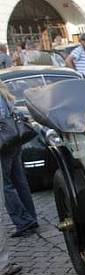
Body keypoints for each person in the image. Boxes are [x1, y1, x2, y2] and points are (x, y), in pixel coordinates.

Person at [0, 81, 37, 238]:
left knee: (6, 185)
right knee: (20, 181)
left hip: (4, 143)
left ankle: (23, 221)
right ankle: (31, 217)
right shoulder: (4, 93)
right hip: (14, 140)